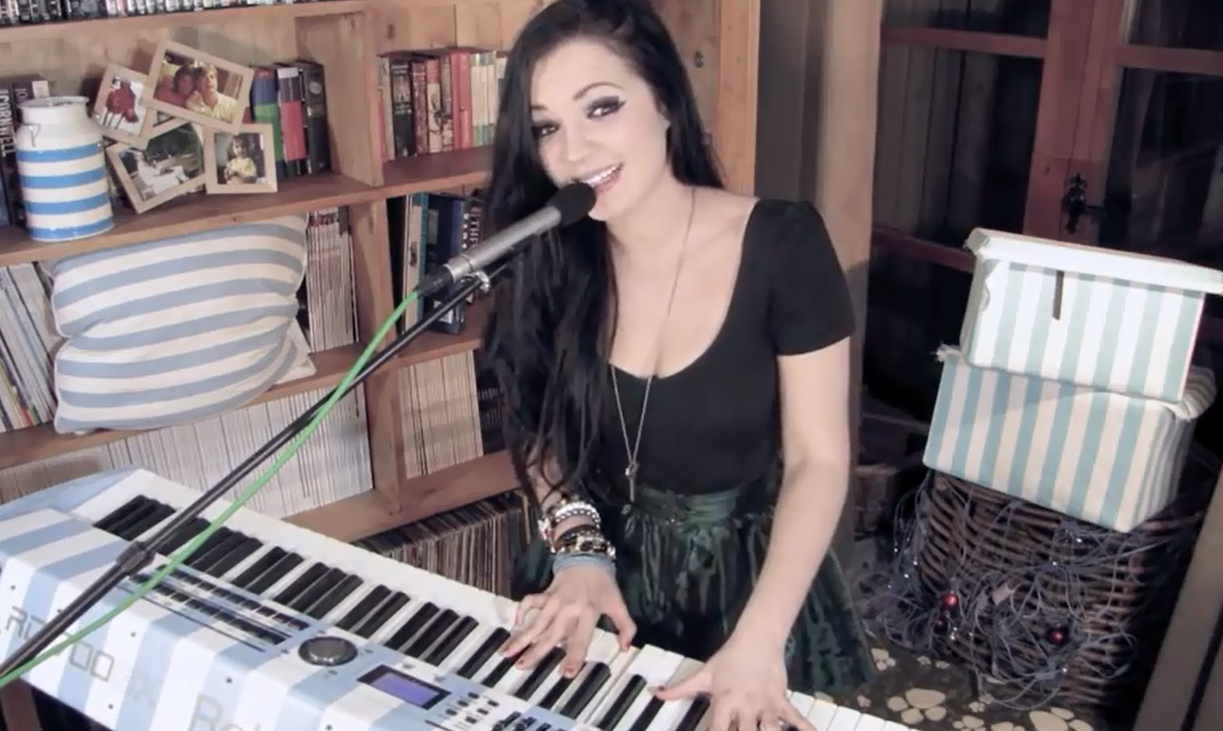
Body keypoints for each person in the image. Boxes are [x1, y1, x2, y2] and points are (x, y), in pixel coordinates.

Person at [480, 0, 875, 728]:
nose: (574, 151)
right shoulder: (550, 254)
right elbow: (534, 421)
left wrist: (760, 638)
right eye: (545, 127)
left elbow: (819, 460)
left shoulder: (784, 243)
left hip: (742, 590)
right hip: (590, 568)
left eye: (601, 107)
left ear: (665, 100)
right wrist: (576, 546)